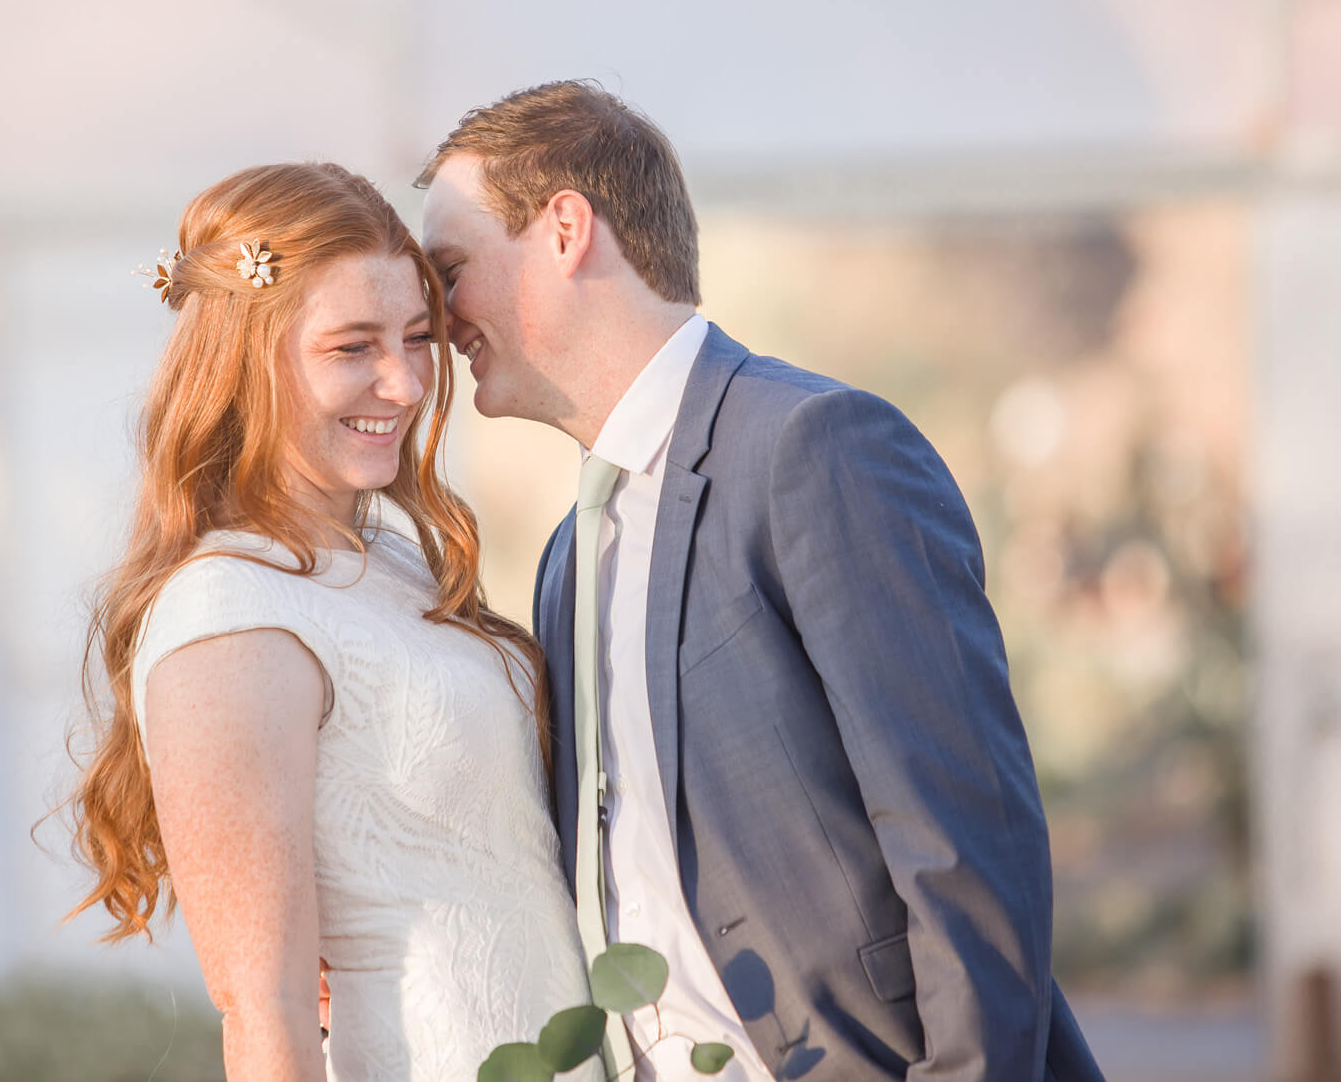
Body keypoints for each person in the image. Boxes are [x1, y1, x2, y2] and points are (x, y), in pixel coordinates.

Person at [419, 83, 1106, 1082]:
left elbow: (964, 843)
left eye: (450, 270)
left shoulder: (813, 447)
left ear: (564, 227)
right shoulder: (570, 554)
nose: (437, 320)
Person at [65, 162, 595, 1081]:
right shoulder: (227, 611)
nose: (403, 383)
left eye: (420, 336)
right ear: (246, 357)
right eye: (353, 348)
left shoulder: (387, 561)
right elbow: (262, 1009)